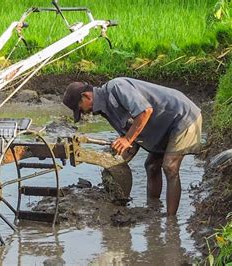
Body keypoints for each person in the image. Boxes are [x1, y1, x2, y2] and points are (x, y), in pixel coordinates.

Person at [62, 77, 202, 216]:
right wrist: (116, 161)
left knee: (170, 167)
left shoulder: (117, 87)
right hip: (162, 125)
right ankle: (153, 210)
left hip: (182, 116)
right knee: (152, 166)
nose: (83, 113)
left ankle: (171, 224)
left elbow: (145, 111)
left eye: (80, 108)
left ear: (86, 96)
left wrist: (127, 139)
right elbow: (132, 139)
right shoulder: (105, 111)